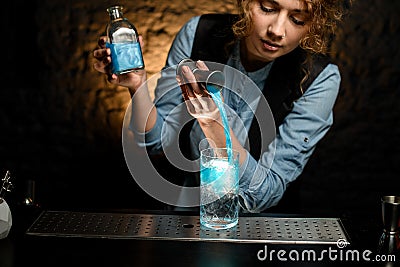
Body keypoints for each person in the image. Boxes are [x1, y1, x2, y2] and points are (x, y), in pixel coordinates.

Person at [93, 0, 352, 213]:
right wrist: (136, 86)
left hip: (265, 228)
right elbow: (160, 141)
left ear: (314, 25)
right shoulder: (198, 33)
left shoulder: (321, 78)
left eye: (297, 19)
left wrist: (215, 123)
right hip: (186, 212)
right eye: (268, 8)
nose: (277, 30)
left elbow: (261, 197)